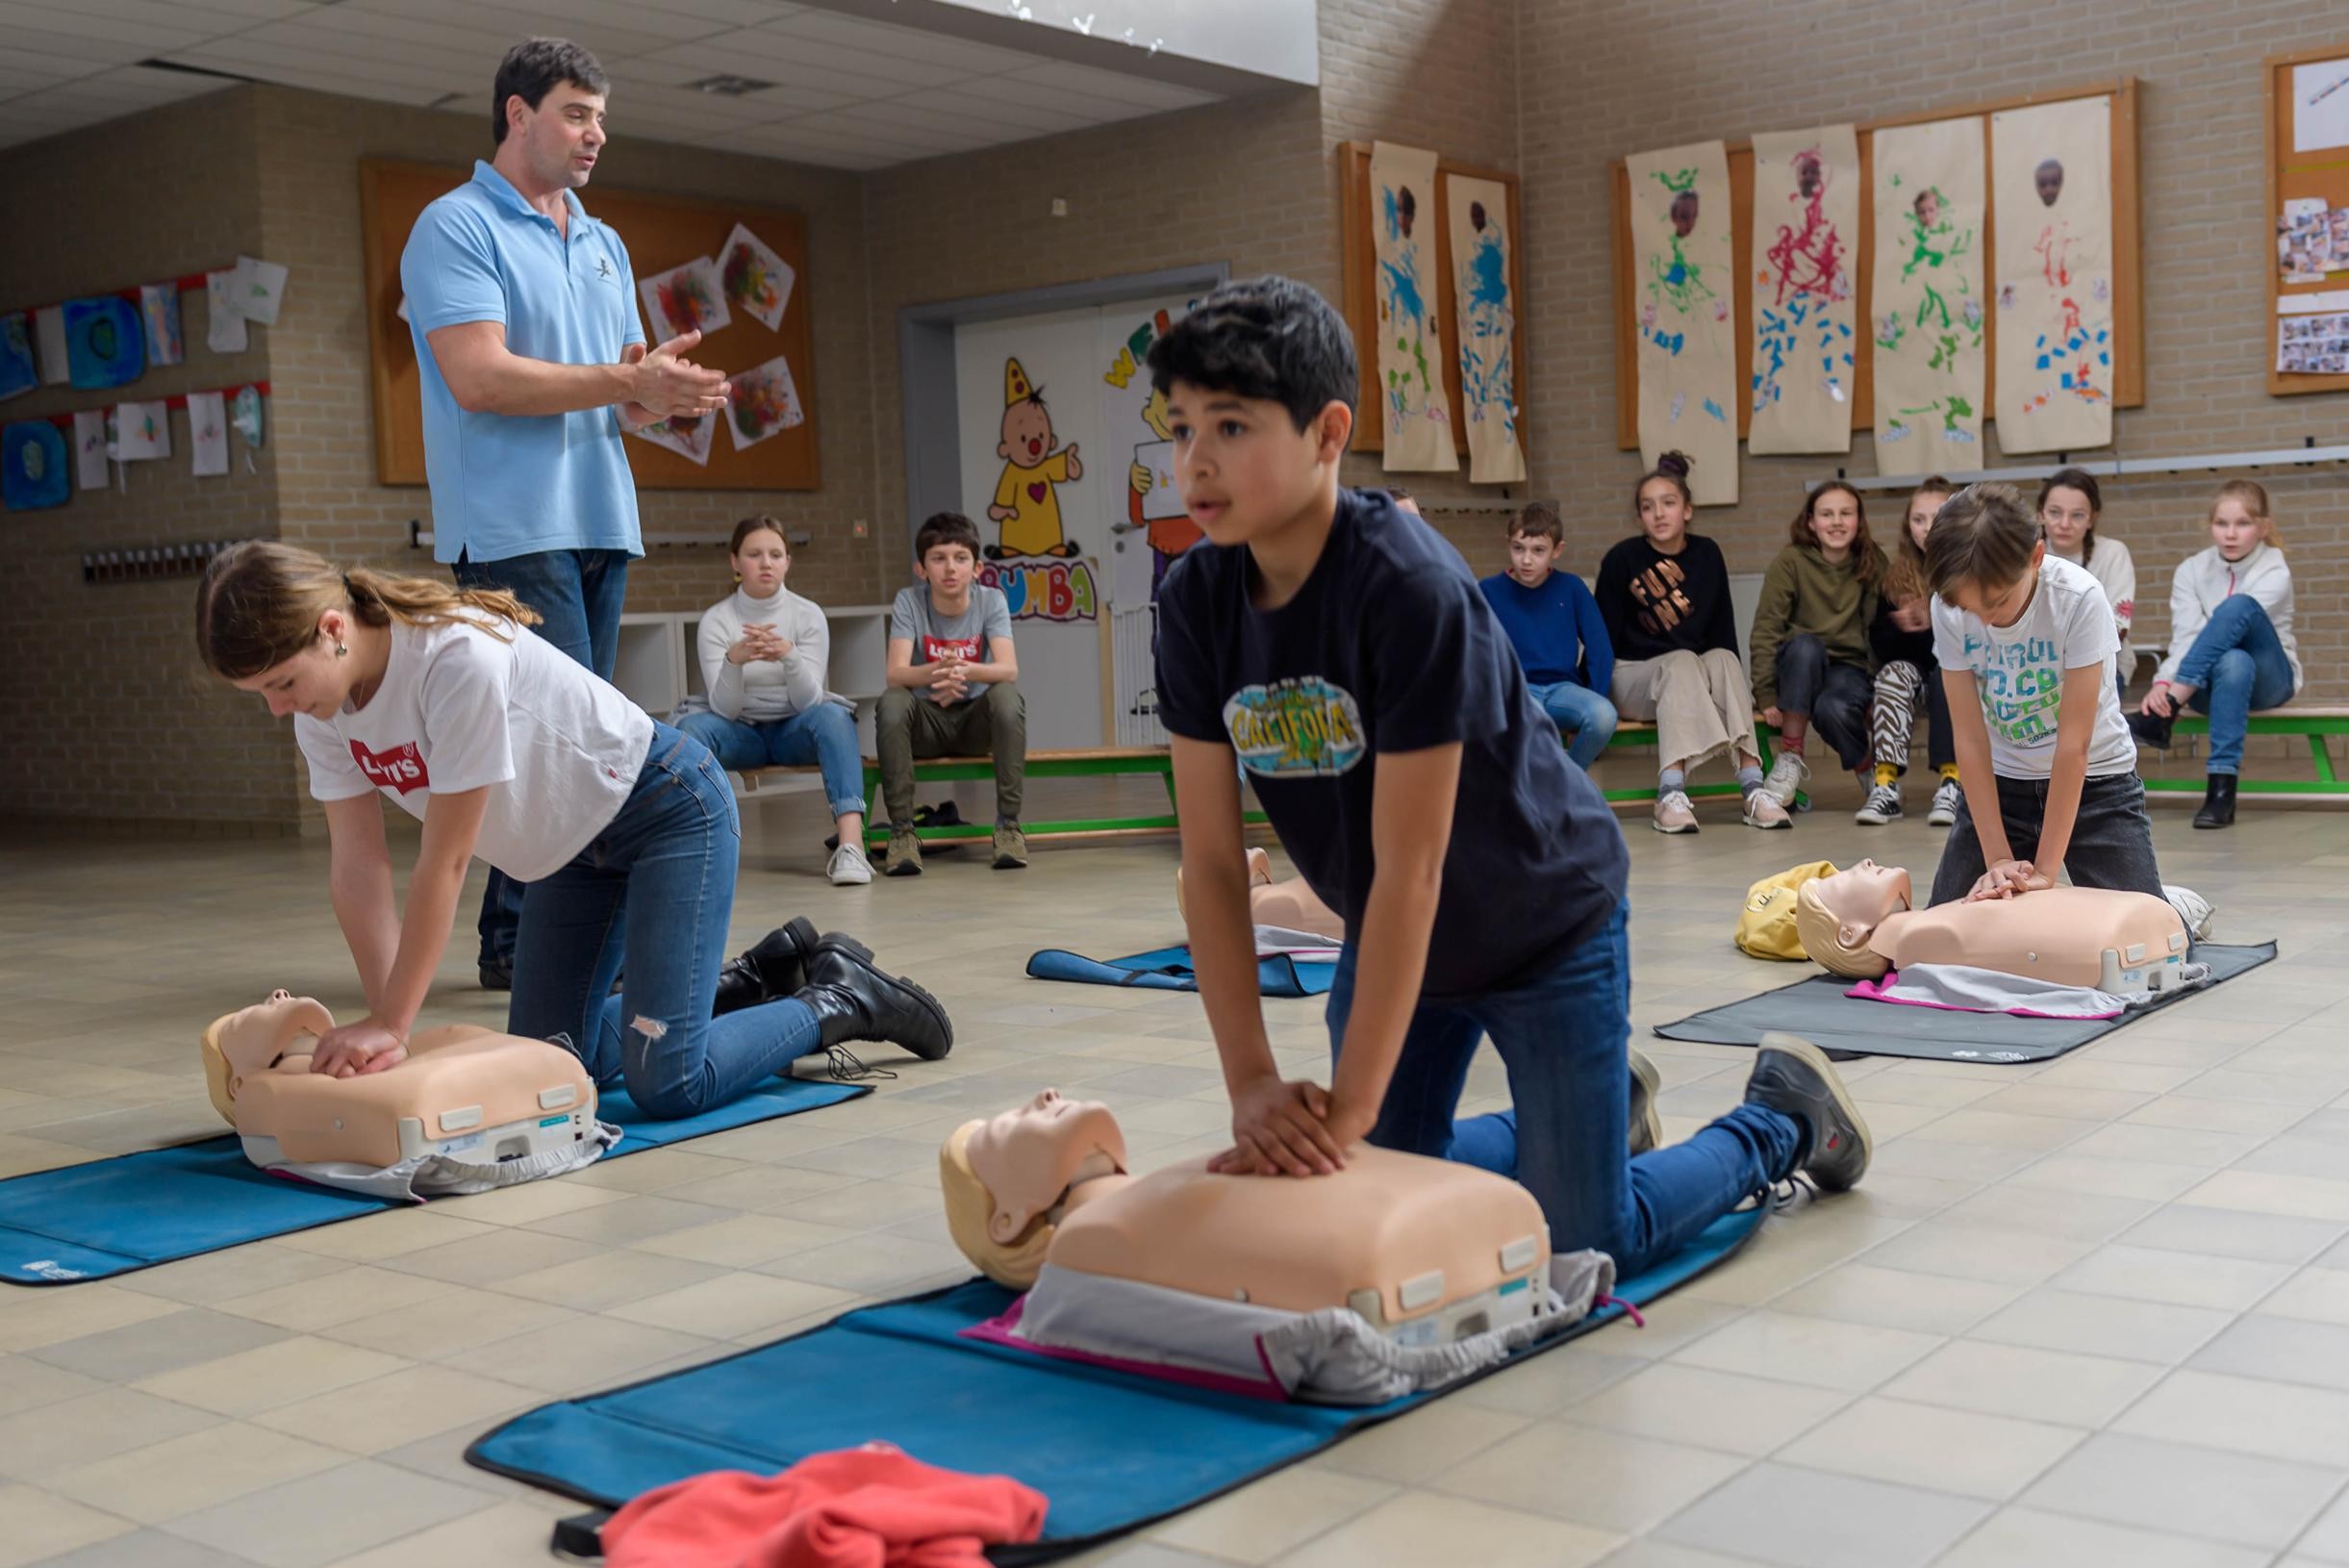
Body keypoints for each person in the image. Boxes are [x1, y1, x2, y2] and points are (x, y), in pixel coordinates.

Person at [1146, 274, 1871, 1289]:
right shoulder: (1194, 602)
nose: (1197, 461)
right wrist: (1254, 1083)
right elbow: (1214, 869)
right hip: (1400, 944)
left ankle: (1781, 1121)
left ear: (1327, 432)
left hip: (1541, 922)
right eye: (1180, 429)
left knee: (1584, 1246)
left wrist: (1347, 1108)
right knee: (1378, 1193)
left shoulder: (1405, 584)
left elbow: (1413, 866)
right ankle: (1585, 1116)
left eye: (1230, 425)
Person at [194, 544, 950, 1118]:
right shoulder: (324, 710)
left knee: (667, 1083)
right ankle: (746, 981)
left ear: (332, 630)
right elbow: (358, 870)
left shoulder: (453, 655)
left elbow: (445, 862)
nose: (277, 710)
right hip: (566, 858)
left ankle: (840, 998)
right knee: (554, 1062)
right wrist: (385, 1027)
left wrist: (392, 1022)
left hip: (664, 812)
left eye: (280, 685)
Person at [402, 38, 731, 990]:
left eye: (601, 118)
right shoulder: (453, 227)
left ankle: (532, 935)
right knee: (555, 744)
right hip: (510, 524)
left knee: (581, 740)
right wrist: (626, 378)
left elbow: (614, 392)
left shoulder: (603, 240)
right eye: (578, 114)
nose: (596, 135)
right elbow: (481, 379)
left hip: (599, 515)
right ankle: (525, 943)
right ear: (518, 115)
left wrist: (656, 394)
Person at [1923, 483, 2160, 907]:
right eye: (1969, 607)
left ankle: (2180, 905)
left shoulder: (2080, 598)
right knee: (1943, 933)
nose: (1985, 619)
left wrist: (2047, 871)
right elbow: (1971, 739)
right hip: (2001, 786)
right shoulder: (1947, 607)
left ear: (2035, 557)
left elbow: (2075, 746)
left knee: (2157, 947)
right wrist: (1996, 855)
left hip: (2096, 785)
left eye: (1995, 602)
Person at [1595, 452, 1788, 832]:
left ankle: (1753, 788)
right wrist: (1598, 697)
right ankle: (1669, 795)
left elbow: (1722, 631)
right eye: (1648, 507)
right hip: (1633, 677)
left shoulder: (1707, 553)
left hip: (1689, 678)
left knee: (1724, 659)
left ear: (1687, 510)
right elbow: (1603, 637)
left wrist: (1746, 694)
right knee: (1682, 659)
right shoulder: (1622, 559)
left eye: (1668, 503)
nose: (1659, 514)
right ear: (1639, 517)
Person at [678, 518, 872, 884]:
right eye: (754, 554)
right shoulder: (717, 620)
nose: (766, 563)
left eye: (775, 554)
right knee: (689, 729)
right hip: (741, 733)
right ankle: (693, 847)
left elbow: (809, 701)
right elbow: (725, 710)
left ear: (787, 562)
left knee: (833, 716)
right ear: (736, 562)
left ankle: (851, 848)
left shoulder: (807, 614)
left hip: (792, 731)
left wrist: (789, 655)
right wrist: (734, 662)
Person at [2129, 480, 2302, 829]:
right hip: (2211, 683)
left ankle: (2170, 711)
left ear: (2263, 527)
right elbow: (2188, 635)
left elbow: (2227, 628)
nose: (2231, 534)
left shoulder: (2274, 569)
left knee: (2238, 609)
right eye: (2222, 524)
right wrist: (2162, 681)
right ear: (2210, 526)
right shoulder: (2191, 570)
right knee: (2233, 661)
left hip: (2271, 681)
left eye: (2243, 524)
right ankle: (2221, 793)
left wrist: (2173, 692)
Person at [879, 513, 1026, 875]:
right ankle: (901, 833)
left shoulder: (991, 599)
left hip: (974, 722)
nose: (950, 568)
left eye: (960, 558)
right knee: (892, 702)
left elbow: (1008, 668)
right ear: (921, 568)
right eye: (938, 558)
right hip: (928, 723)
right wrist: (935, 673)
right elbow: (895, 674)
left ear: (976, 568)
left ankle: (1008, 825)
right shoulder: (909, 601)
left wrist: (961, 670)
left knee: (1007, 697)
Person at [1750, 482, 1883, 810]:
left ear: (1858, 521)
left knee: (1831, 709)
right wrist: (1765, 692)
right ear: (1811, 521)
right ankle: (1790, 757)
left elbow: (1880, 629)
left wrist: (1878, 686)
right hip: (1797, 663)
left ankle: (1867, 769)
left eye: (1845, 513)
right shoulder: (1791, 561)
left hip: (1847, 668)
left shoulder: (1872, 561)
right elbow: (1767, 628)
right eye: (1827, 514)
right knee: (1806, 647)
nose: (1836, 522)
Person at [1478, 502, 1618, 770]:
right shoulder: (1488, 590)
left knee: (1603, 714)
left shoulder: (1572, 587)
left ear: (1557, 550)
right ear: (1508, 544)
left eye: (1538, 551)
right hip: (1516, 690)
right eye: (1518, 548)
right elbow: (1476, 651)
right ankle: (1552, 789)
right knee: (1538, 724)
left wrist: (1596, 694)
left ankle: (1569, 782)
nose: (1526, 560)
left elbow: (1600, 650)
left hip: (1563, 691)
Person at [1859, 478, 1963, 826]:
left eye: (1937, 517)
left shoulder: (1973, 568)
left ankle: (1954, 782)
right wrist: (1904, 625)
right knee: (1893, 674)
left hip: (1968, 675)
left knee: (1947, 674)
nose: (1927, 528)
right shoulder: (1897, 575)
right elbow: (1882, 644)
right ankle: (1886, 785)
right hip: (1917, 671)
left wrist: (1933, 618)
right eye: (1918, 520)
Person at [2037, 468, 2135, 697]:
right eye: (2054, 512)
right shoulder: (2024, 556)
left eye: (2077, 515)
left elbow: (2117, 627)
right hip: (2037, 668)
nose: (2064, 523)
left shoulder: (2113, 554)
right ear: (2040, 514)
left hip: (2104, 667)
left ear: (2092, 519)